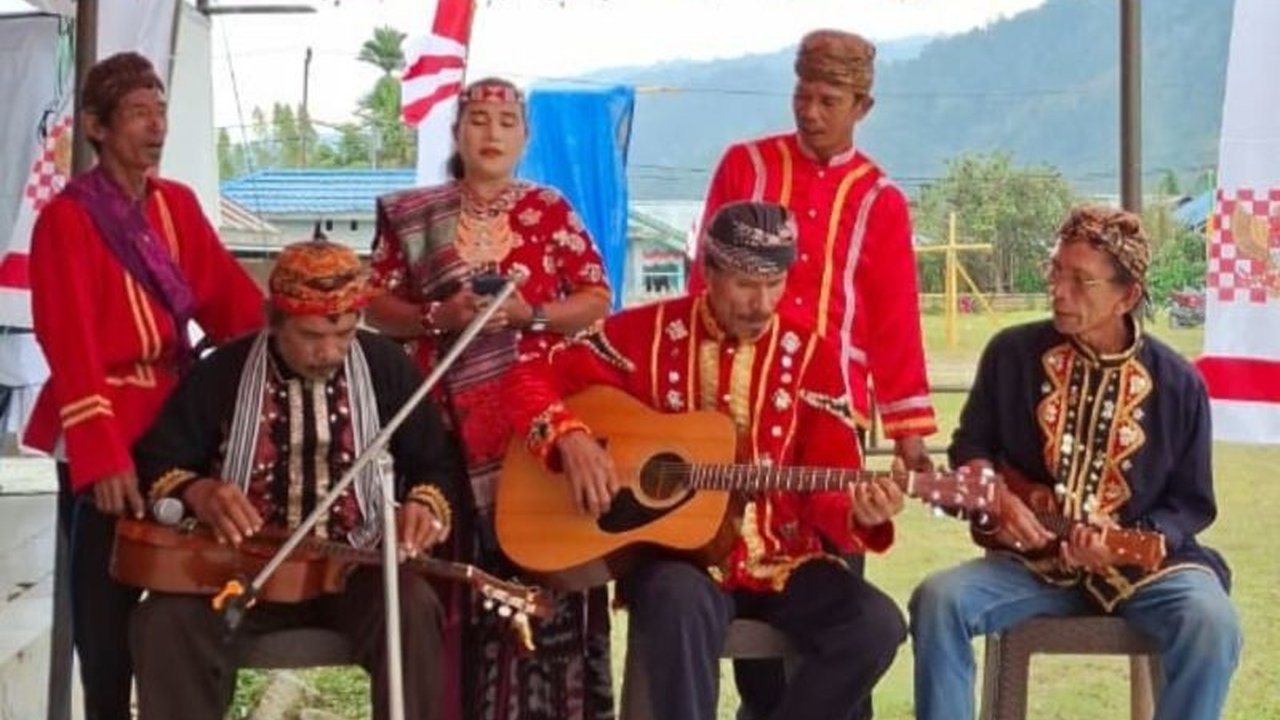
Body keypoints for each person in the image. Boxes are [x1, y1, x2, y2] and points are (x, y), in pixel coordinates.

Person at [506, 201, 907, 720]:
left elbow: (826, 484)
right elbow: (525, 377)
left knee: (876, 627)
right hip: (682, 564)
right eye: (744, 284)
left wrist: (858, 512)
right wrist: (570, 440)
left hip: (782, 559)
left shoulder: (812, 354)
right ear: (707, 272)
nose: (761, 303)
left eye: (775, 284)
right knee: (675, 601)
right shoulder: (643, 335)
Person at [909, 206, 1241, 720]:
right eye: (1056, 272)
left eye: (1081, 280)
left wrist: (1125, 540)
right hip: (1031, 566)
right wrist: (996, 496)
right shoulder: (1011, 354)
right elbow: (969, 447)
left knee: (1212, 623)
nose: (1059, 291)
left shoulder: (1179, 384)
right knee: (939, 599)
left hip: (1143, 564)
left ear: (1126, 296)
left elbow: (1190, 504)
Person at [692, 30, 937, 717]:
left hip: (831, 426)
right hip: (732, 419)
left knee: (834, 599)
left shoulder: (879, 198)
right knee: (753, 597)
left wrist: (910, 431)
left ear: (863, 105)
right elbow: (698, 282)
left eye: (829, 99)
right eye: (803, 95)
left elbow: (894, 322)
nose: (811, 111)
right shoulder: (746, 166)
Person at [23, 51, 264, 720]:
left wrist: (290, 334)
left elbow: (230, 305)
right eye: (137, 113)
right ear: (97, 128)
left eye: (160, 110)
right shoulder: (67, 220)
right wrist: (102, 455)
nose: (155, 126)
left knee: (192, 599)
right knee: (104, 623)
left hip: (173, 421)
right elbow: (66, 343)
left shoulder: (177, 206)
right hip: (102, 423)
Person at [366, 76, 613, 720]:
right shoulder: (416, 214)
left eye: (506, 122)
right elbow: (373, 305)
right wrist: (437, 316)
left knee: (545, 585)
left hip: (539, 435)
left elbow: (595, 298)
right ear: (456, 133)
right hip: (441, 434)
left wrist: (534, 315)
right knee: (450, 595)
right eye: (479, 120)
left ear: (525, 137)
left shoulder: (551, 210)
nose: (492, 133)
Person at [129, 239, 458, 720]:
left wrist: (425, 505)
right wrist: (198, 492)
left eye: (345, 334)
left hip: (352, 571)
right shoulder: (222, 372)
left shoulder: (387, 368)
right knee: (163, 622)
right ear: (272, 318)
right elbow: (156, 464)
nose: (330, 352)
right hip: (239, 573)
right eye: (310, 335)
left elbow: (436, 461)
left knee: (411, 605)